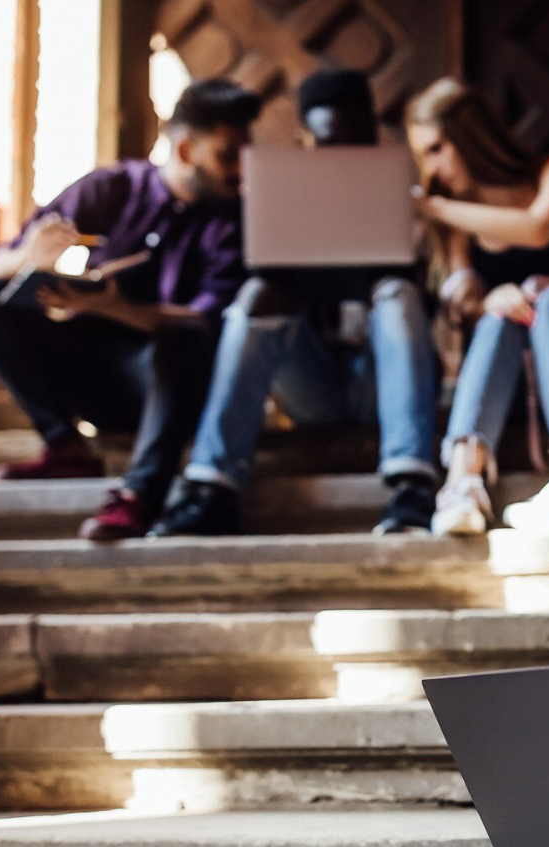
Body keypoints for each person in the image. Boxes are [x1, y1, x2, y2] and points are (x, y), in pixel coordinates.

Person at [0, 79, 260, 540]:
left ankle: (140, 495)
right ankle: (64, 446)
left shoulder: (236, 221)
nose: (240, 171)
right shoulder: (111, 188)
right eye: (228, 155)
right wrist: (31, 260)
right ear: (183, 151)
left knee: (184, 336)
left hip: (171, 387)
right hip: (88, 371)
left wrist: (115, 307)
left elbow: (205, 320)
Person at [150, 67, 441, 537]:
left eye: (352, 144)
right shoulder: (274, 202)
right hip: (313, 385)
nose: (339, 157)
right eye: (328, 145)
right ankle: (213, 488)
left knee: (397, 292)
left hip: (381, 382)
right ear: (307, 140)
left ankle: (412, 486)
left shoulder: (415, 204)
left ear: (371, 138)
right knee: (257, 294)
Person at [405, 77, 549, 536]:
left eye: (437, 148)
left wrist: (434, 210)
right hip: (506, 383)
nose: (432, 168)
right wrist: (487, 298)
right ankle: (463, 480)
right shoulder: (459, 218)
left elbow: (537, 228)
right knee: (501, 316)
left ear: (472, 137)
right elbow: (467, 299)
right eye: (424, 155)